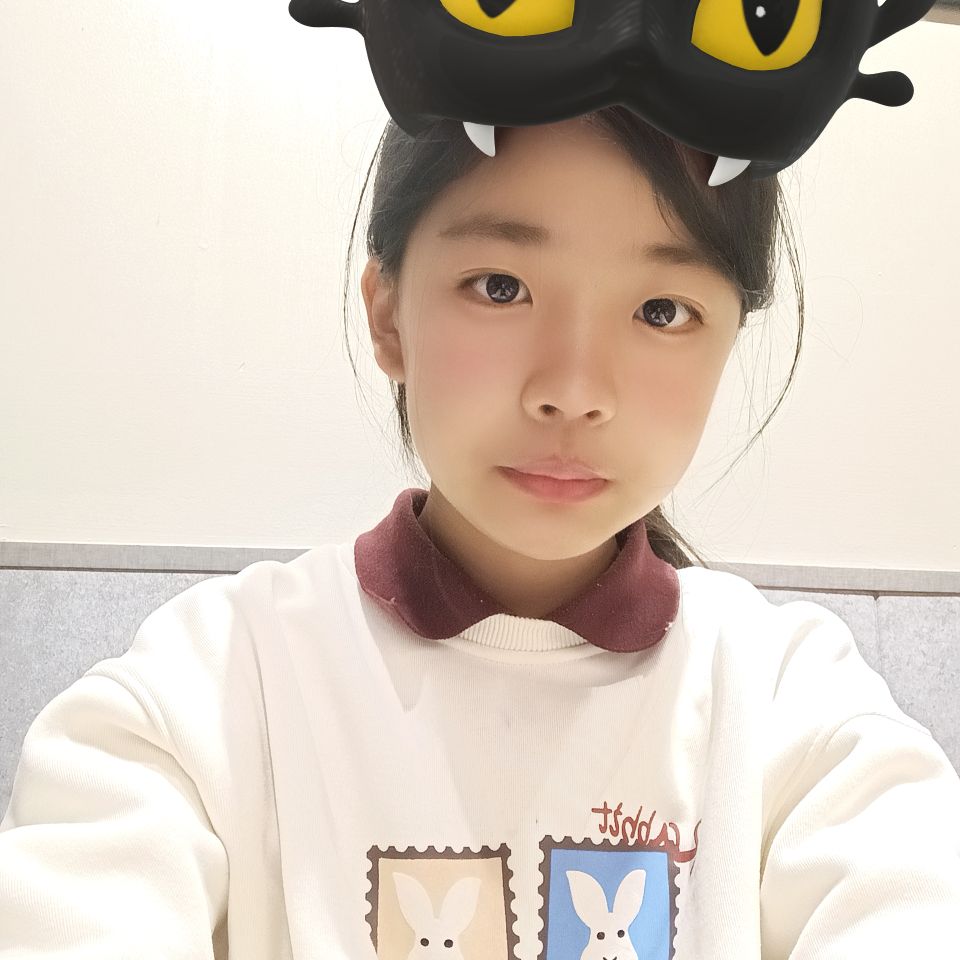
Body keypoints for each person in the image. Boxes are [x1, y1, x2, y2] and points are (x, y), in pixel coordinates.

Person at [2, 108, 958, 959]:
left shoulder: (795, 701)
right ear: (388, 315)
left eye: (662, 310)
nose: (573, 391)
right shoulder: (208, 688)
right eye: (500, 286)